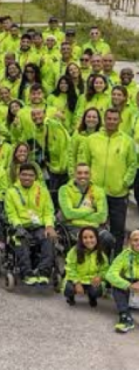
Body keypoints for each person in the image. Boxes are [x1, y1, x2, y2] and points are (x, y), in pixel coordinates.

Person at [79, 108, 137, 255]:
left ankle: (116, 260)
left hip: (118, 194)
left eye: (114, 119)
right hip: (95, 193)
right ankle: (94, 260)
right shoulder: (92, 139)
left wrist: (125, 182)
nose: (111, 121)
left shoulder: (127, 141)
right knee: (93, 228)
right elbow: (84, 162)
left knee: (117, 230)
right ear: (104, 120)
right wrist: (86, 183)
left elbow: (133, 164)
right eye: (109, 118)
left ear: (120, 121)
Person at [4, 163, 57, 285]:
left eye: (31, 175)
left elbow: (49, 211)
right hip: (19, 226)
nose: (27, 178)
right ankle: (27, 273)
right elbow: (11, 213)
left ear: (35, 177)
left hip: (39, 226)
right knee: (20, 240)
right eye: (24, 175)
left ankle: (43, 272)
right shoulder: (11, 192)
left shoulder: (43, 191)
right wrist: (18, 226)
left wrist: (49, 226)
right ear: (19, 175)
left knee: (48, 238)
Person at [58, 163, 112, 252]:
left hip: (94, 226)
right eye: (79, 173)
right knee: (86, 240)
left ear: (90, 175)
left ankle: (103, 263)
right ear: (74, 174)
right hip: (73, 226)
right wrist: (91, 211)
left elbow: (102, 217)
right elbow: (68, 214)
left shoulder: (99, 191)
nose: (83, 176)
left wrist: (76, 214)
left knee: (108, 238)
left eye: (86, 173)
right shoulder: (64, 190)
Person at [63, 226, 108, 307]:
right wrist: (77, 282)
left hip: (91, 280)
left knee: (96, 291)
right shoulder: (74, 251)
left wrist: (100, 277)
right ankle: (71, 297)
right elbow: (69, 268)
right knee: (69, 289)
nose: (88, 240)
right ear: (81, 239)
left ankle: (92, 297)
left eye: (91, 237)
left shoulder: (101, 253)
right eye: (85, 237)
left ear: (96, 238)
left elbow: (105, 269)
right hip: (76, 278)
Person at [105, 229, 139, 333]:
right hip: (130, 289)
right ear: (130, 242)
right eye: (136, 240)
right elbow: (110, 274)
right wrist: (129, 285)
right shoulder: (124, 255)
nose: (138, 243)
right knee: (117, 285)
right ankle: (125, 317)